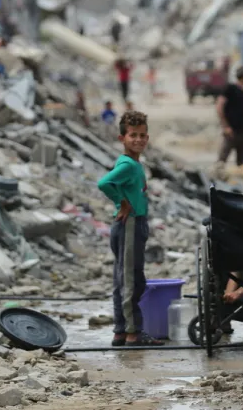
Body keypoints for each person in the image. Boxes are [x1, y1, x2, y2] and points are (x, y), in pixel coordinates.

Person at [97, 110, 163, 347]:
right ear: (122, 138)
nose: (139, 140)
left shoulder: (133, 163)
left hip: (135, 223)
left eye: (143, 135)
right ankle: (132, 332)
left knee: (125, 277)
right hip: (130, 224)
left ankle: (121, 331)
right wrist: (122, 202)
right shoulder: (127, 165)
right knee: (130, 280)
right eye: (133, 135)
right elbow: (104, 183)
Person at [216, 67, 243, 168]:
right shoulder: (230, 88)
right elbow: (219, 107)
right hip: (231, 130)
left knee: (242, 163)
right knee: (222, 160)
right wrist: (226, 126)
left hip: (242, 130)